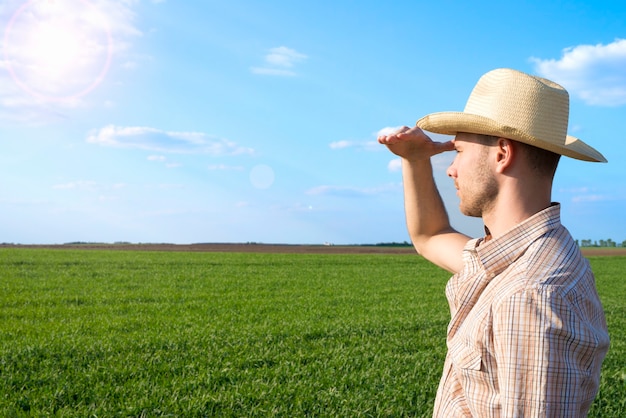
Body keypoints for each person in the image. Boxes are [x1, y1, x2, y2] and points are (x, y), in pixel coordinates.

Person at [378, 68, 610, 417]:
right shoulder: (517, 257)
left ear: (502, 153)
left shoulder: (530, 295)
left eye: (457, 150)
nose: (451, 168)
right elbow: (431, 236)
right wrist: (415, 160)